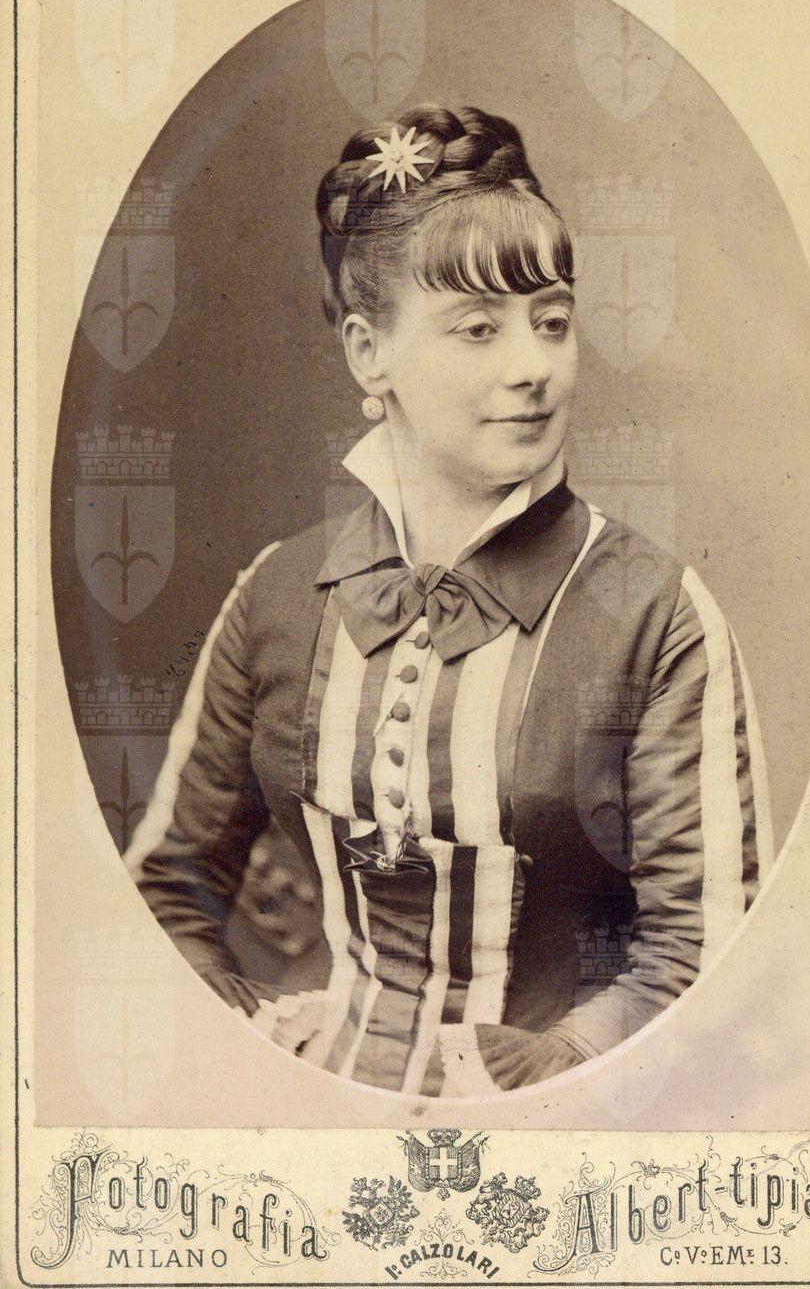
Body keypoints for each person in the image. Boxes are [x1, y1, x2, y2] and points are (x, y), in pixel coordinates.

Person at [125, 103, 773, 1098]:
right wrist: (255, 1047)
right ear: (366, 351)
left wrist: (564, 1061)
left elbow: (710, 941)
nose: (532, 367)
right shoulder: (280, 594)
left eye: (551, 322)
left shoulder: (655, 615)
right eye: (478, 329)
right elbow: (167, 884)